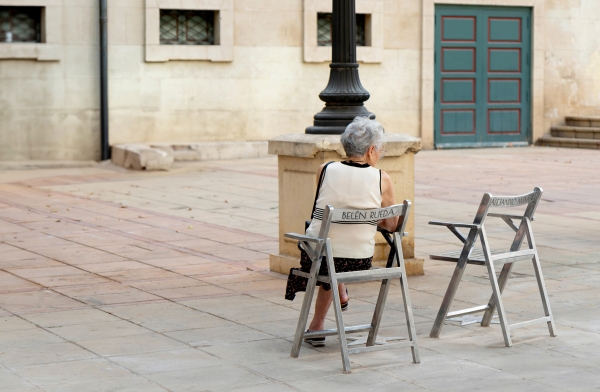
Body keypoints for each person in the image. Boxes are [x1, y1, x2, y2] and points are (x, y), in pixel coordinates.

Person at [284, 116, 399, 347]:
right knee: (337, 252)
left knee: (327, 244)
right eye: (380, 151)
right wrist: (368, 219)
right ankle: (331, 304)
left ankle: (318, 325)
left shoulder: (324, 170)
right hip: (359, 260)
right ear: (370, 150)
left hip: (318, 257)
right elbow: (392, 225)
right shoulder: (381, 178)